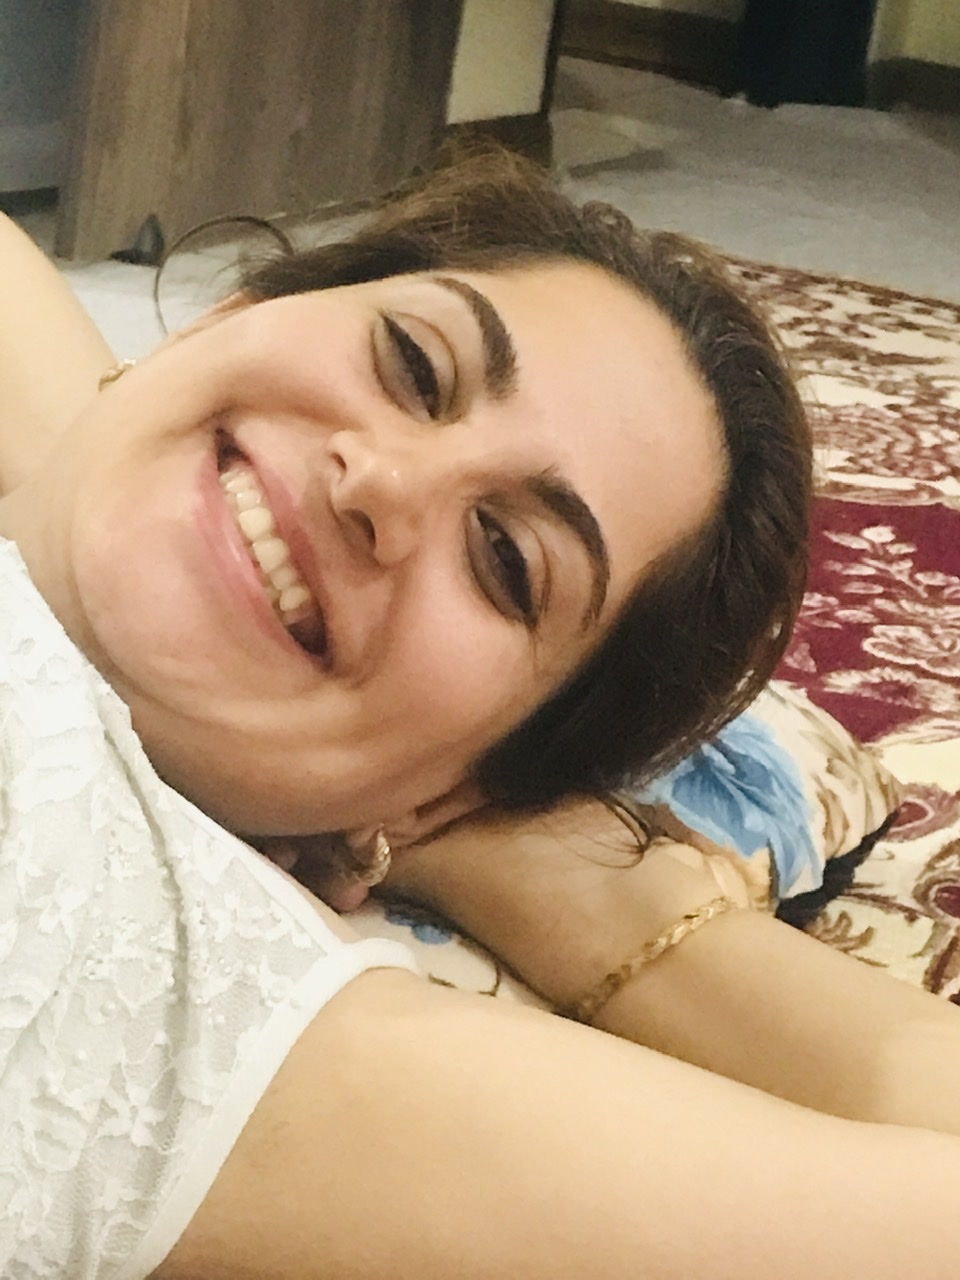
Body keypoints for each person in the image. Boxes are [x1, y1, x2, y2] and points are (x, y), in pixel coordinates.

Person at [1, 154, 959, 1280]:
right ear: (232, 314)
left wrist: (623, 920)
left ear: (450, 790)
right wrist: (130, 438)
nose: (381, 483)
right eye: (414, 364)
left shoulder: (166, 992)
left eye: (505, 559)